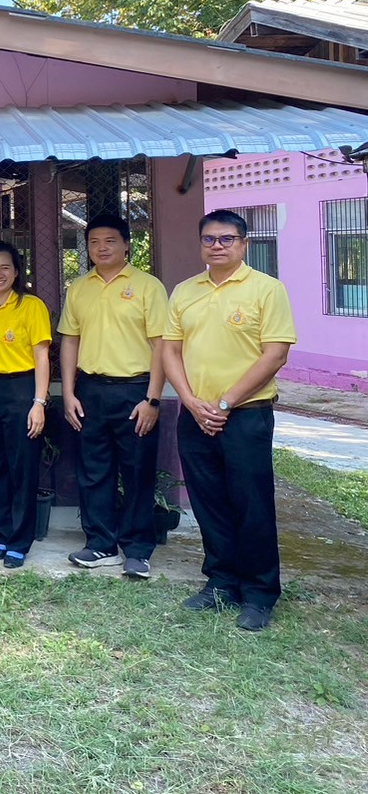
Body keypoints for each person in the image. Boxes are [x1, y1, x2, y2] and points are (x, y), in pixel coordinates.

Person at [164, 210, 296, 631]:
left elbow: (275, 354)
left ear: (244, 244)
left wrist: (224, 404)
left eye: (226, 239)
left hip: (245, 415)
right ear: (200, 244)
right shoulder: (185, 292)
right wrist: (190, 401)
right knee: (208, 501)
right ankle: (221, 582)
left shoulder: (267, 290)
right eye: (209, 239)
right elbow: (170, 351)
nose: (217, 246)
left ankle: (259, 593)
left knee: (251, 504)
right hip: (195, 415)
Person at [59, 212, 168, 579]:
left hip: (135, 391)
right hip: (89, 390)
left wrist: (153, 399)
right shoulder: (79, 288)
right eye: (94, 242)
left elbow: (161, 345)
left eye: (109, 241)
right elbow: (70, 341)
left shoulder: (148, 286)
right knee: (93, 471)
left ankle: (137, 550)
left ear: (127, 245)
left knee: (137, 472)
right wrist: (69, 393)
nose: (101, 248)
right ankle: (100, 544)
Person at [0, 241, 52, 570]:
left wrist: (39, 402)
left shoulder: (31, 306)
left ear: (17, 272)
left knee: (22, 468)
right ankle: (5, 534)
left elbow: (42, 357)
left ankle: (20, 541)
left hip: (22, 388)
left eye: (5, 267)